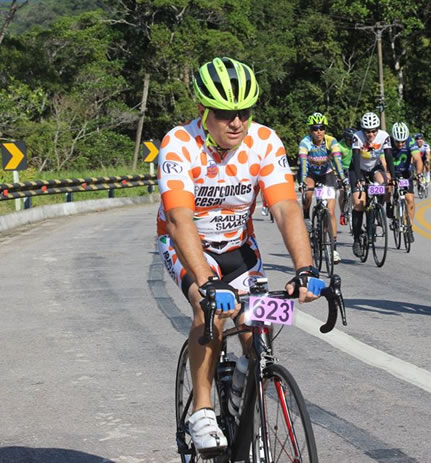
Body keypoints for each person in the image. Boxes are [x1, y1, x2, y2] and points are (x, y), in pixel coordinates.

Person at [156, 56, 325, 455]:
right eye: (224, 114)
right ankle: (202, 411)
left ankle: (245, 402)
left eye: (244, 112)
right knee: (209, 311)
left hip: (238, 248)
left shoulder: (264, 141)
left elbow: (285, 208)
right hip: (187, 246)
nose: (236, 122)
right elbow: (179, 219)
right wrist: (207, 281)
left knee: (256, 328)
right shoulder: (179, 144)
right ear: (203, 110)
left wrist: (305, 267)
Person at [298, 112, 344, 264]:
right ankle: (306, 216)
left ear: (325, 130)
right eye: (315, 129)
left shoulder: (331, 141)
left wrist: (343, 178)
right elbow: (303, 164)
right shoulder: (305, 142)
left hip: (327, 174)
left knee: (330, 211)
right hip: (310, 174)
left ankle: (334, 249)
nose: (318, 131)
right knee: (308, 194)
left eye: (321, 128)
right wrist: (303, 181)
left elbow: (337, 161)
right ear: (310, 130)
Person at [350, 111, 395, 257]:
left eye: (374, 131)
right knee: (359, 204)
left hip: (374, 167)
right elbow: (356, 157)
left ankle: (376, 210)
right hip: (358, 169)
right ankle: (357, 239)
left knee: (383, 183)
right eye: (368, 131)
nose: (371, 134)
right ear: (363, 130)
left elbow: (388, 156)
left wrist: (393, 177)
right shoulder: (357, 136)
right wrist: (358, 179)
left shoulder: (384, 136)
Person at [389, 122, 423, 241]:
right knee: (387, 189)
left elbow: (418, 159)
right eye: (397, 142)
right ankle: (389, 206)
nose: (400, 144)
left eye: (403, 142)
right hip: (391, 172)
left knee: (410, 199)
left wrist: (419, 174)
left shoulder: (411, 142)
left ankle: (409, 227)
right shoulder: (387, 142)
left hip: (405, 173)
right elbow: (382, 160)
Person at [335, 127, 355, 226]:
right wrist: (339, 176)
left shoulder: (357, 145)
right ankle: (343, 212)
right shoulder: (339, 146)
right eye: (349, 140)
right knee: (343, 191)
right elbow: (337, 161)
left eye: (353, 140)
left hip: (353, 169)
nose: (351, 142)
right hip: (342, 169)